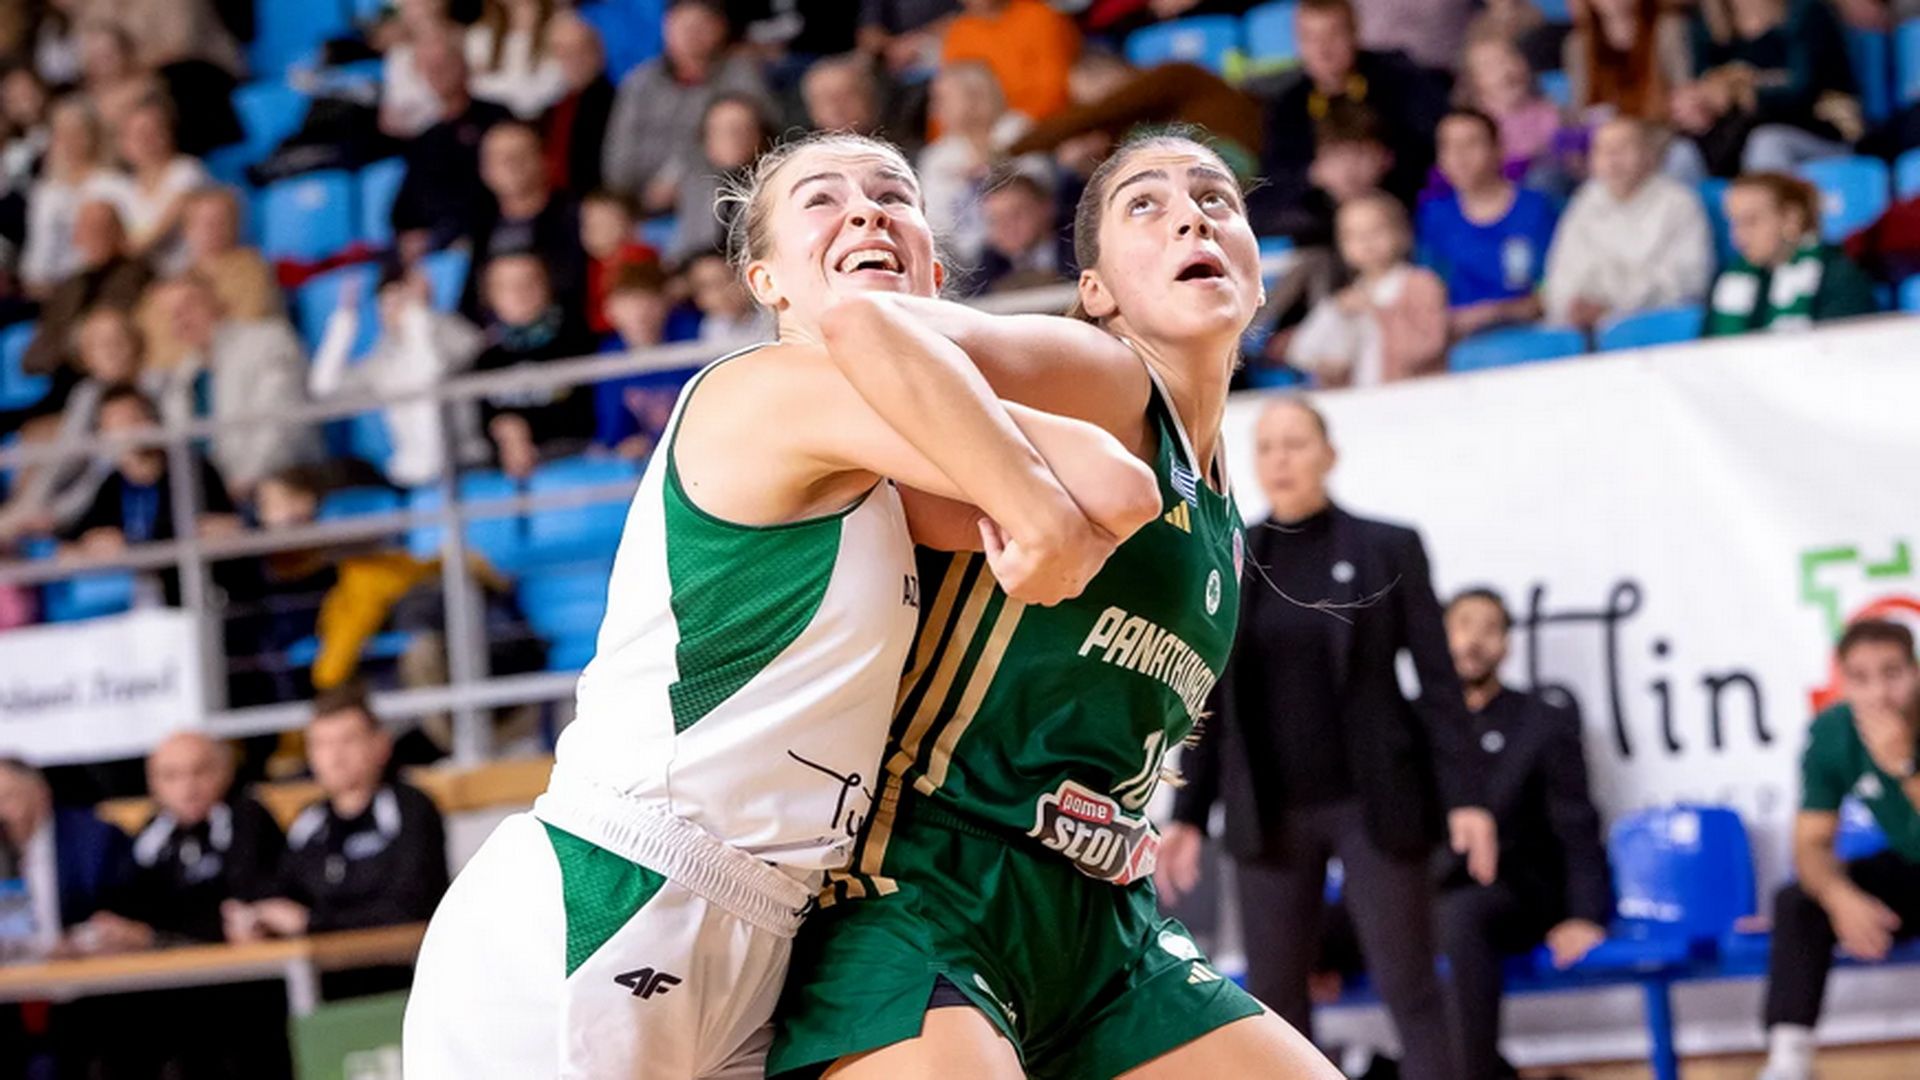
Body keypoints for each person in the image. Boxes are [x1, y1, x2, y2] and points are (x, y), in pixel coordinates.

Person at [404, 129, 1165, 1078]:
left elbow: (1117, 490)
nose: (865, 209)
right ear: (765, 281)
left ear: (932, 271)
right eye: (822, 198)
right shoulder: (765, 389)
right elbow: (1100, 487)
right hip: (618, 886)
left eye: (893, 194)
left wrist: (1046, 515)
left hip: (768, 924)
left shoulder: (895, 475)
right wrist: (1043, 519)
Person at [771, 132, 1341, 1080]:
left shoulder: (1222, 508)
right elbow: (865, 325)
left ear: (1256, 271)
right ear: (1097, 291)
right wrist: (1032, 509)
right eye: (1146, 205)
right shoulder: (1103, 376)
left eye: (1215, 199)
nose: (1192, 216)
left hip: (1104, 922)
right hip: (932, 887)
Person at [1160, 397, 1491, 1080]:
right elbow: (1211, 695)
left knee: (1410, 986)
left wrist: (1467, 798)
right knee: (1274, 1002)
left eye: (1296, 444)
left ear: (1329, 455)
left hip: (1375, 803)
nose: (1280, 459)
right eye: (1267, 447)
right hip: (1270, 810)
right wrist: (1187, 813)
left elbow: (1438, 684)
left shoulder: (1386, 547)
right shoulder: (1232, 555)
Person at [1435, 588, 1612, 1080]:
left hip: (1515, 892)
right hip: (1428, 892)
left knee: (1462, 916)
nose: (1474, 641)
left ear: (1507, 645)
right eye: (1463, 625)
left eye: (1490, 628)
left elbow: (1577, 825)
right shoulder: (1417, 723)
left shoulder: (1541, 722)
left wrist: (1584, 915)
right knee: (1310, 929)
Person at [1759, 619, 1920, 1080]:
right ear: (1844, 683)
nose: (1879, 694)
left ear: (1916, 672)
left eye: (1892, 673)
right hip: (1912, 868)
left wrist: (1905, 766)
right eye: (1861, 678)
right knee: (1799, 898)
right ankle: (1789, 1061)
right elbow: (1810, 844)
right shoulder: (1833, 732)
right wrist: (1839, 897)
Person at [224, 685, 450, 941]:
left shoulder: (411, 808)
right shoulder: (309, 821)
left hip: (405, 959)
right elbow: (284, 893)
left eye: (348, 741)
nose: (335, 757)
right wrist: (259, 917)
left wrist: (313, 922)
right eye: (321, 744)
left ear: (381, 745)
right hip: (322, 962)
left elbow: (412, 906)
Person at [56, 387, 243, 605]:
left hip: (196, 596)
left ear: (153, 420)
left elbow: (219, 529)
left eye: (133, 419)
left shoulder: (191, 470)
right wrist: (90, 548)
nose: (127, 431)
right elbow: (70, 547)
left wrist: (130, 548)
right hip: (140, 604)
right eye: (116, 424)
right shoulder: (112, 484)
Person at [1258, 0, 1446, 214]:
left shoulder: (1399, 79)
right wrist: (1314, 174)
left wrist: (1385, 161)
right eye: (1310, 38)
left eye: (1333, 35)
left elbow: (1436, 142)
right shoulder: (1287, 105)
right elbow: (1272, 180)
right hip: (1320, 219)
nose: (1323, 49)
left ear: (1355, 33)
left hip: (1405, 205)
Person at [309, 266, 487, 488]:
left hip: (467, 465)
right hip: (413, 475)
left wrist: (418, 318)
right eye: (386, 304)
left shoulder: (456, 332)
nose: (394, 312)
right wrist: (343, 323)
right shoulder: (383, 360)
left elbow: (429, 372)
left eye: (402, 302)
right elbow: (324, 388)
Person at [1542, 116, 1713, 330]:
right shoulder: (1583, 203)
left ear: (1649, 155)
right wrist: (1574, 307)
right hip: (1586, 329)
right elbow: (1561, 277)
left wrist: (1611, 311)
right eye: (1602, 150)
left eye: (1623, 148)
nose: (1612, 157)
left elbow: (1689, 281)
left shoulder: (1679, 203)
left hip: (1656, 327)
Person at [166, 270, 322, 501]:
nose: (182, 319)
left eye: (189, 305)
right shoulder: (182, 378)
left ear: (217, 301)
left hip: (286, 482)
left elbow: (281, 424)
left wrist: (242, 483)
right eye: (172, 314)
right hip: (218, 500)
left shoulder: (268, 341)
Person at [601, 0, 768, 213]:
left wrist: (679, 180)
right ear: (665, 27)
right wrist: (636, 196)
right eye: (682, 25)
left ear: (720, 28)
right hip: (637, 203)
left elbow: (759, 139)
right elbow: (617, 152)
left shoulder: (740, 74)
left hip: (719, 199)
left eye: (700, 25)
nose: (691, 34)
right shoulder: (640, 81)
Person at [1668, 0, 1859, 179]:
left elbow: (1803, 92)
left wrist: (1739, 92)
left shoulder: (1805, 11)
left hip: (1815, 130)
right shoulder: (1707, 20)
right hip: (1734, 137)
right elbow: (1705, 87)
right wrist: (1698, 106)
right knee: (1682, 152)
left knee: (1766, 144)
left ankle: (1769, 204)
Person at [1418, 108, 1558, 340]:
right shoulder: (1434, 216)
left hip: (1533, 335)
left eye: (1471, 144)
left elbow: (1555, 287)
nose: (1459, 157)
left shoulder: (1537, 208)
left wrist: (1495, 313)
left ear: (1498, 149)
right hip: (1459, 344)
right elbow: (1427, 291)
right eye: (1448, 146)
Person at [1287, 191, 1449, 387]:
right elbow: (1306, 352)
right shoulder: (1350, 295)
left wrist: (1376, 312)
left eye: (1375, 231)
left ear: (1403, 233)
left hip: (1413, 392)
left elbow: (1429, 346)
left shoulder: (1421, 283)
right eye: (1352, 235)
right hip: (1363, 395)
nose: (1365, 242)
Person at [471, 252, 598, 477]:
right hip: (508, 475)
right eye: (506, 286)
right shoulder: (484, 360)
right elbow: (481, 427)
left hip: (578, 464)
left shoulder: (580, 342)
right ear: (490, 295)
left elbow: (589, 418)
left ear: (547, 285)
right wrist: (506, 431)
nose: (519, 293)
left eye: (529, 281)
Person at [1705, 171, 1877, 336]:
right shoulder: (1729, 279)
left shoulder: (1839, 276)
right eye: (1734, 222)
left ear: (1791, 218)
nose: (1738, 236)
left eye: (1751, 221)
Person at [390, 32, 514, 259]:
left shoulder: (496, 118)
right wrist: (412, 239)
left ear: (464, 64)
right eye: (430, 68)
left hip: (487, 236)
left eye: (444, 63)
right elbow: (405, 210)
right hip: (435, 248)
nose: (437, 73)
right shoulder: (426, 139)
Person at [0, 756, 136, 960]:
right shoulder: (4, 848)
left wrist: (82, 938)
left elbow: (123, 918)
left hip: (83, 967)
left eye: (6, 798)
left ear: (41, 795)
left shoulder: (95, 840)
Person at [137, 186, 281, 371]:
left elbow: (248, 324)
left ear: (236, 225)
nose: (212, 229)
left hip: (244, 366)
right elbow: (151, 341)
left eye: (221, 221)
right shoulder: (172, 281)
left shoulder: (254, 270)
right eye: (202, 222)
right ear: (187, 229)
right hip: (176, 374)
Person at [463, 120, 586, 320]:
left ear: (544, 159)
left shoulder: (577, 216)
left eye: (519, 155)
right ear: (484, 169)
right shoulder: (477, 222)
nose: (509, 165)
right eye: (497, 158)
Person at [22, 197, 151, 379]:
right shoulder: (69, 286)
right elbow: (36, 354)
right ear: (76, 237)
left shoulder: (137, 276)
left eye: (102, 228)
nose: (93, 235)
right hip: (61, 377)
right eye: (85, 229)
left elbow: (114, 330)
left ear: (120, 232)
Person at [918, 61, 1032, 267]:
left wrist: (993, 167)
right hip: (968, 268)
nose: (934, 110)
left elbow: (1040, 192)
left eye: (942, 99)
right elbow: (935, 225)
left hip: (1032, 254)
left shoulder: (1021, 133)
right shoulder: (937, 157)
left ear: (975, 96)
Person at [18, 96, 119, 299]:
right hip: (45, 291)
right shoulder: (45, 191)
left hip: (98, 287)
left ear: (93, 136)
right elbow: (37, 251)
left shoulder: (112, 185)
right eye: (62, 134)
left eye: (78, 132)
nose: (70, 141)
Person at [97, 94, 208, 276]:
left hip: (193, 273)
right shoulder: (120, 188)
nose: (146, 141)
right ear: (123, 143)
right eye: (138, 134)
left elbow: (158, 233)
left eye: (155, 132)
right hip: (146, 277)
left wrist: (118, 253)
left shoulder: (187, 171)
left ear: (169, 134)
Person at [938, 0, 1080, 133]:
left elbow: (1056, 87)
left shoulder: (1040, 16)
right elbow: (949, 104)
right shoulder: (958, 35)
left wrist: (1018, 122)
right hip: (985, 134)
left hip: (1047, 127)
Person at [666, 93, 773, 266]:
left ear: (760, 135)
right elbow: (685, 248)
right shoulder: (694, 185)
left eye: (738, 130)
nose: (730, 139)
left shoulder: (775, 185)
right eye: (719, 131)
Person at [1456, 32, 1571, 190]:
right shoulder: (1474, 123)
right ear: (1474, 81)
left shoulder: (1549, 111)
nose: (1505, 71)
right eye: (1491, 66)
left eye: (1510, 59)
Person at [1562, 0, 1692, 124]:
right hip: (1604, 131)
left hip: (1663, 128)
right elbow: (1581, 106)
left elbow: (1685, 96)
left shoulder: (1668, 29)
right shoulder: (1577, 45)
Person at [539, 11, 615, 197]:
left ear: (600, 52)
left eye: (582, 49)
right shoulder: (551, 110)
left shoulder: (619, 104)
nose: (573, 60)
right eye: (562, 52)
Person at [465, 0, 568, 121]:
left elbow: (556, 86)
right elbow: (476, 88)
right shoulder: (479, 36)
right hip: (490, 121)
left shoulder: (561, 31)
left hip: (546, 119)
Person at [972, 170, 1068, 295]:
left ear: (1047, 208)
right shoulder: (989, 260)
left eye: (1015, 215)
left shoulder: (1079, 247)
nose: (1005, 227)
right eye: (994, 220)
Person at [580, 187, 659, 334]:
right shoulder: (591, 266)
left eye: (605, 223)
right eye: (589, 224)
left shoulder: (640, 258)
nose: (595, 231)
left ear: (631, 226)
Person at [801, 52, 882, 137]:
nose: (836, 108)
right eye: (826, 100)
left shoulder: (889, 140)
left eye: (844, 98)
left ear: (868, 98)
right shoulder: (801, 142)